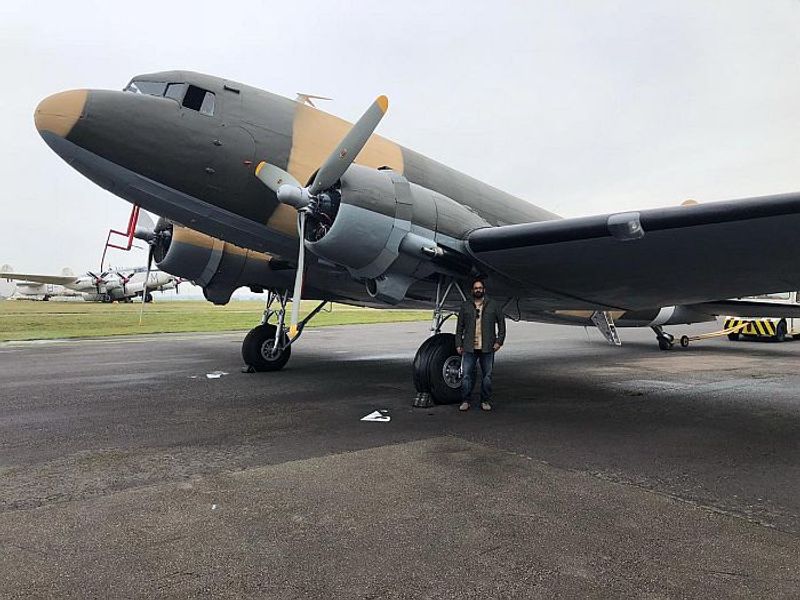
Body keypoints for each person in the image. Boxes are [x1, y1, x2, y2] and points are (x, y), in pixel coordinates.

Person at [455, 278, 506, 411]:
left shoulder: (493, 305)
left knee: (487, 376)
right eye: (476, 288)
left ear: (484, 290)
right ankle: (465, 400)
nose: (478, 290)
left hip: (487, 347)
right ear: (472, 291)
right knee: (466, 375)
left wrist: (499, 342)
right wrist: (458, 344)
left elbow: (501, 324)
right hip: (469, 347)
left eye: (480, 288)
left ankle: (485, 400)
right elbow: (459, 327)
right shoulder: (465, 306)